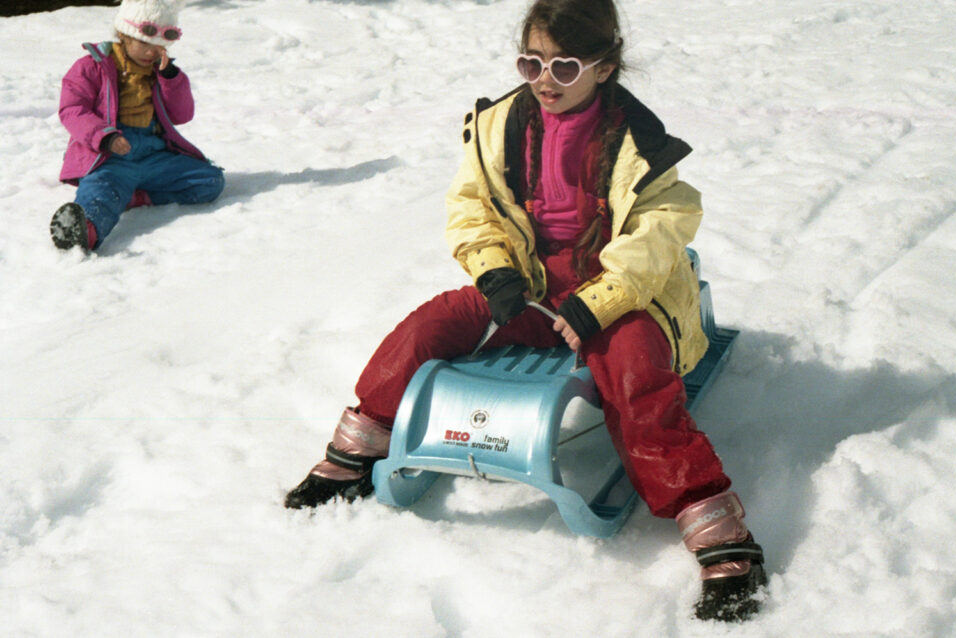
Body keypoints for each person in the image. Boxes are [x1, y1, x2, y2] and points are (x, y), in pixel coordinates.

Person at [285, 0, 767, 622]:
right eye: (532, 61)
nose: (545, 79)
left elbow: (659, 231)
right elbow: (472, 207)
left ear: (605, 66)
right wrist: (495, 271)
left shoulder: (638, 141)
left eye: (565, 66)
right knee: (431, 325)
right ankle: (357, 448)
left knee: (635, 376)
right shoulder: (499, 126)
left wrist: (601, 302)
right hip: (529, 287)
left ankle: (713, 526)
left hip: (613, 295)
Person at [49, 0, 224, 251]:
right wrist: (105, 137)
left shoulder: (161, 72)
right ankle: (85, 230)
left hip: (154, 155)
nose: (151, 53)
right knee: (100, 191)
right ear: (124, 35)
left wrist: (171, 79)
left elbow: (182, 115)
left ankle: (135, 196)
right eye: (144, 43)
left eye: (158, 46)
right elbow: (72, 110)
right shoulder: (92, 66)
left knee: (209, 181)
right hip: (109, 155)